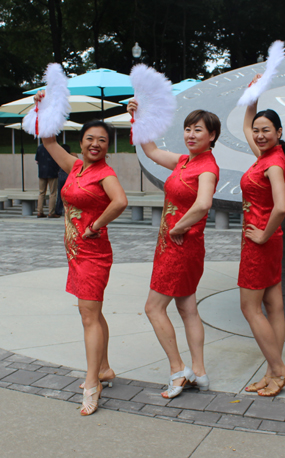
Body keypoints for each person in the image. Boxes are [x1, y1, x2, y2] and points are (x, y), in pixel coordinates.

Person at [36, 88, 128, 417]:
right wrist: (45, 109)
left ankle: (93, 383)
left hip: (93, 253)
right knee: (90, 312)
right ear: (82, 141)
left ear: (107, 145)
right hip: (75, 253)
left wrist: (96, 225)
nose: (95, 144)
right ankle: (103, 367)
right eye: (90, 138)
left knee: (89, 315)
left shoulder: (105, 173)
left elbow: (120, 201)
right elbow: (48, 141)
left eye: (102, 140)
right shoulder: (75, 167)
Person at [127, 101, 220, 399]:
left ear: (213, 136)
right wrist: (137, 119)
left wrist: (178, 227)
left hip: (181, 246)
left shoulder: (206, 168)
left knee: (153, 308)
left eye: (198, 130)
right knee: (187, 308)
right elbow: (152, 151)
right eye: (188, 129)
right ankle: (200, 372)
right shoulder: (184, 161)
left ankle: (178, 370)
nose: (191, 135)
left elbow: (204, 204)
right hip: (175, 246)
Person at [239, 74, 285, 397]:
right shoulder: (265, 155)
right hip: (271, 239)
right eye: (258, 131)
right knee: (274, 306)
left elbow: (282, 206)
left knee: (249, 308)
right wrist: (254, 95)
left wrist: (261, 236)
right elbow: (247, 123)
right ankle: (273, 373)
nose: (258, 135)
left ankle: (279, 370)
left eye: (266, 131)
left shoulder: (273, 164)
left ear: (279, 133)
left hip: (260, 240)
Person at [35, 142, 60, 218]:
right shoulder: (55, 146)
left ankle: (39, 211)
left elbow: (37, 161)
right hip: (53, 172)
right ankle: (51, 212)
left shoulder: (40, 147)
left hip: (42, 172)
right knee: (53, 193)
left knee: (41, 192)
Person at [55, 145, 78, 216]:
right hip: (69, 176)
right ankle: (70, 210)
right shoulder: (72, 157)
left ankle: (58, 211)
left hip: (61, 175)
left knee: (60, 194)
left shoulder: (61, 157)